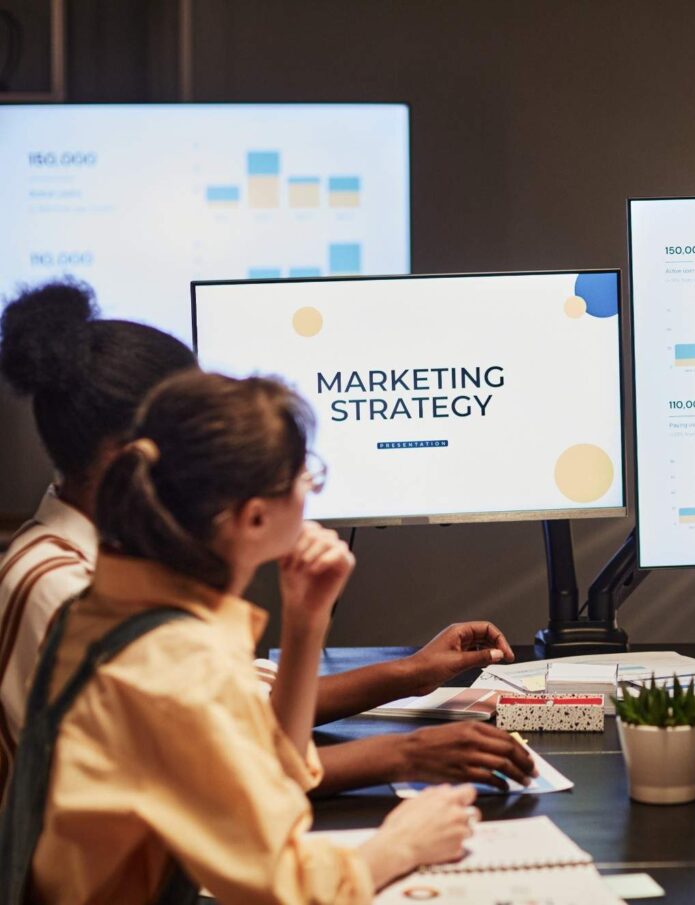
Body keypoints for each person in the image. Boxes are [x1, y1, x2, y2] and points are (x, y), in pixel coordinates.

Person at [0, 280, 534, 804]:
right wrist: (405, 754)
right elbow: (211, 780)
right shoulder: (67, 592)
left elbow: (243, 708)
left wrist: (410, 674)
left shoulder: (105, 559)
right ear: (134, 455)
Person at [0, 368, 481, 903]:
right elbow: (277, 886)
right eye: (307, 477)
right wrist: (400, 844)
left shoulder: (119, 603)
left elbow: (270, 776)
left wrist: (306, 620)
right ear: (254, 518)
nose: (312, 491)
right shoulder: (180, 659)